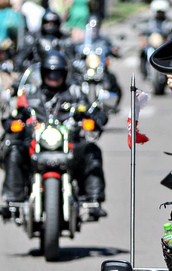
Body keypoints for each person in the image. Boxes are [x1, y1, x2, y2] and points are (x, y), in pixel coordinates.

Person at [1, 50, 107, 218]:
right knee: (14, 150)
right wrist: (14, 122)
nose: (54, 77)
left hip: (70, 145)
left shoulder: (76, 92)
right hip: (35, 145)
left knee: (92, 150)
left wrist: (95, 118)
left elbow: (95, 111)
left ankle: (94, 201)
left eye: (58, 73)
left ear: (65, 73)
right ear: (43, 73)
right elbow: (14, 115)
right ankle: (12, 201)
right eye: (50, 72)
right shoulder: (30, 94)